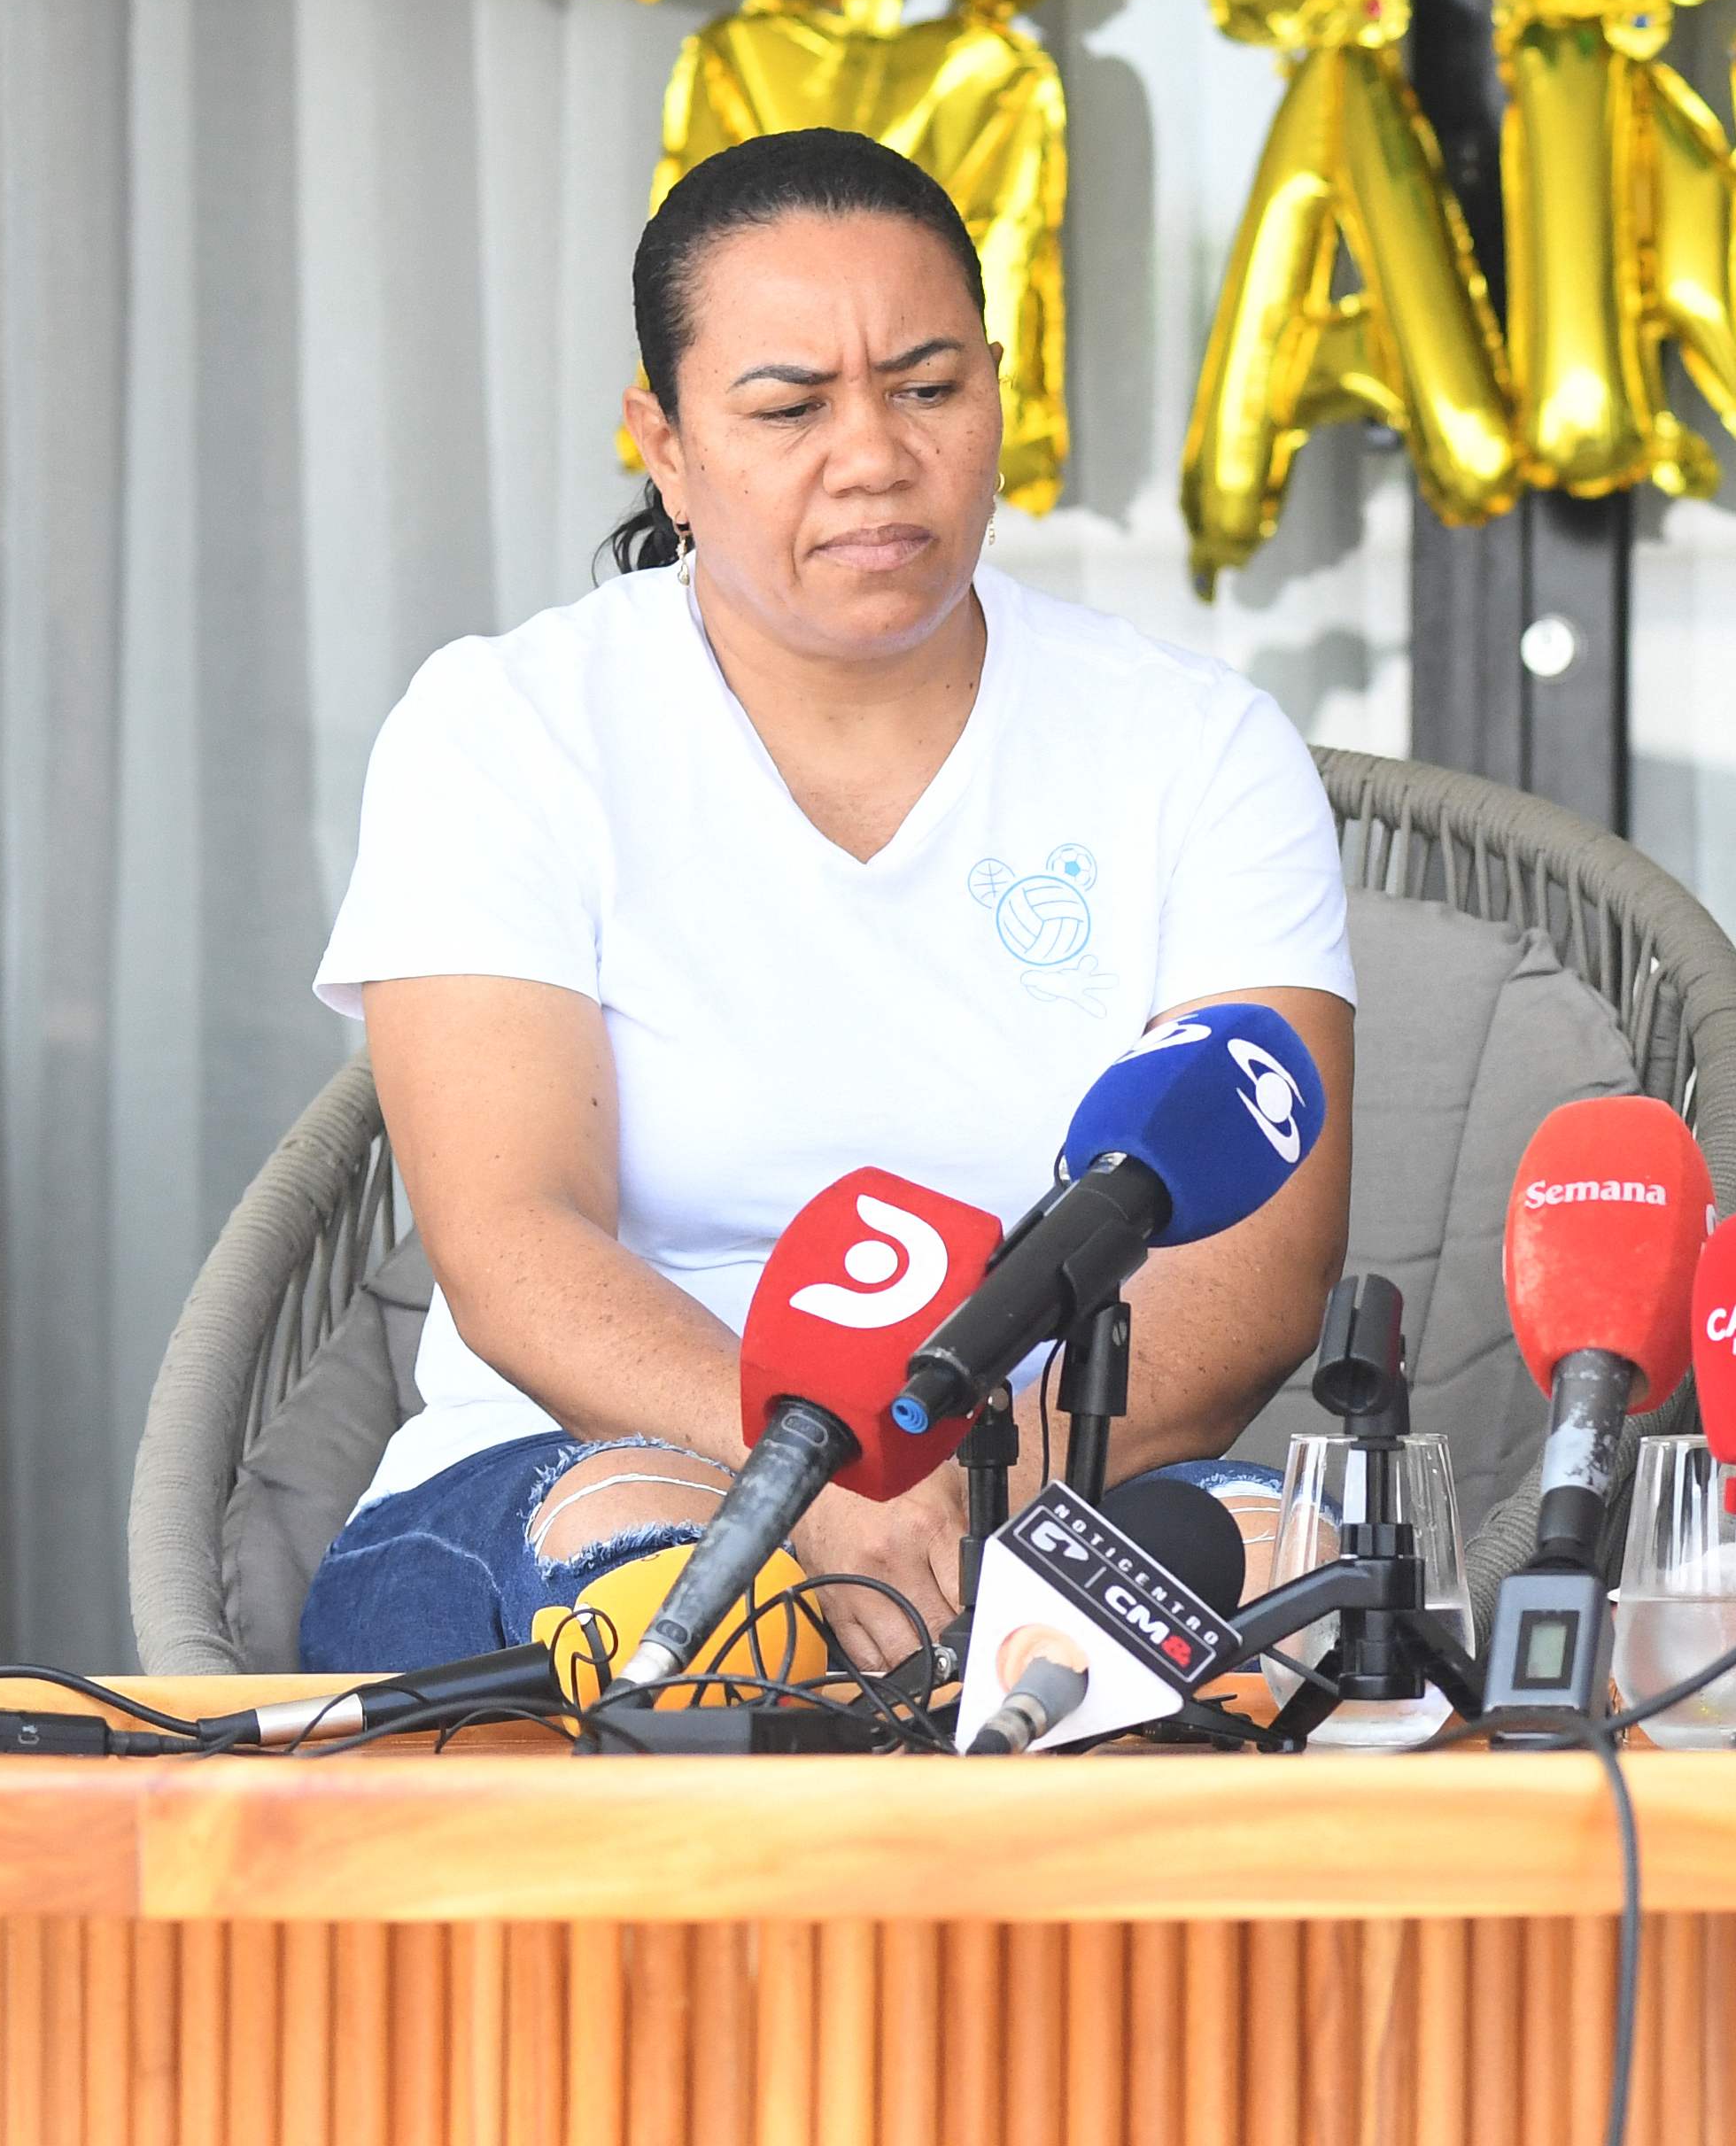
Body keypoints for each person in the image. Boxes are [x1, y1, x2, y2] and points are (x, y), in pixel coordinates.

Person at [297, 130, 1354, 1678]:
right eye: (788, 407)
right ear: (662, 445)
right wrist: (822, 1489)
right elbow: (512, 1232)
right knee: (693, 1614)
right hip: (594, 1459)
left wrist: (972, 1502)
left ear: (998, 388)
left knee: (1304, 1593)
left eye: (927, 389)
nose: (871, 452)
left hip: (1051, 1464)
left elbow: (1247, 1268)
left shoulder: (1195, 747)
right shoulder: (506, 728)